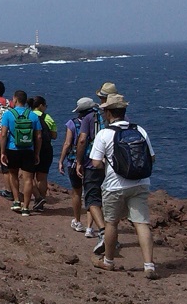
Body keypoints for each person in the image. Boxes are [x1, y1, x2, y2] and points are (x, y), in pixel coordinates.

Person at [90, 94, 159, 280]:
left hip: (115, 184)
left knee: (112, 223)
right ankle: (149, 265)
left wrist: (109, 161)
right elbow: (152, 158)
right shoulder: (140, 130)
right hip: (140, 182)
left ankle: (108, 262)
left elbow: (95, 163)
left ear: (109, 112)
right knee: (142, 223)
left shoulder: (104, 134)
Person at [76, 82, 116, 253]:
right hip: (113, 165)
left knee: (92, 198)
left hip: (93, 162)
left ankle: (102, 233)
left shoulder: (89, 117)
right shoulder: (120, 117)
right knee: (109, 200)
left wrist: (78, 161)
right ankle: (112, 235)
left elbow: (83, 139)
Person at [0, 90, 42, 215]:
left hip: (12, 149)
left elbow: (3, 134)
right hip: (28, 150)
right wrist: (37, 153)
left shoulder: (8, 114)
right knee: (28, 179)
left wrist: (2, 152)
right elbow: (38, 136)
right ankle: (26, 207)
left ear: (15, 100)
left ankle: (17, 201)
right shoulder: (33, 115)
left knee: (13, 175)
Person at [60, 98, 97, 233]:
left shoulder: (72, 123)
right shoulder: (97, 122)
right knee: (91, 194)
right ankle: (89, 226)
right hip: (93, 162)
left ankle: (77, 221)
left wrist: (61, 161)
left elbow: (67, 144)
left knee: (76, 192)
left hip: (74, 161)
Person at [30, 96, 57, 212]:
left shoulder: (28, 116)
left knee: (27, 176)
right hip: (46, 150)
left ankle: (37, 197)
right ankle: (41, 204)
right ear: (40, 105)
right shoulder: (47, 118)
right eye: (45, 105)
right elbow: (55, 136)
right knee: (42, 177)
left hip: (30, 149)